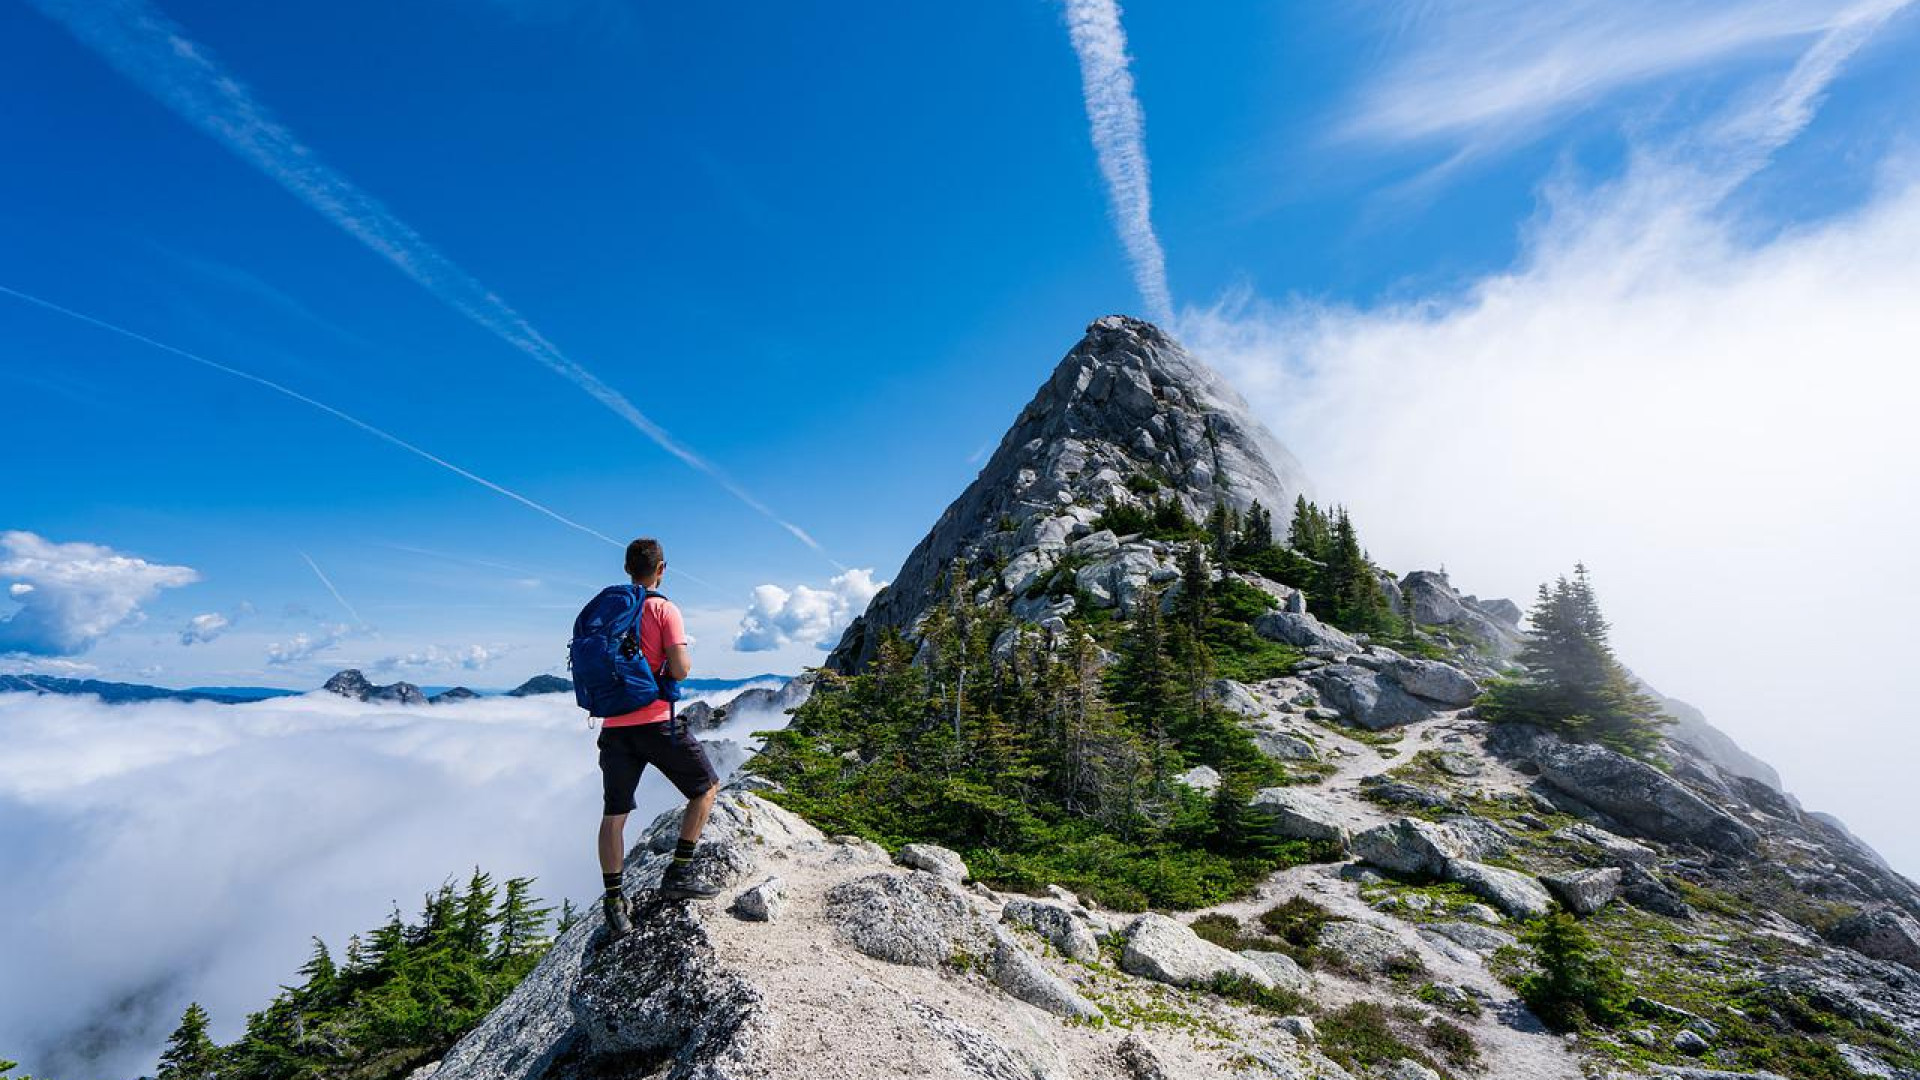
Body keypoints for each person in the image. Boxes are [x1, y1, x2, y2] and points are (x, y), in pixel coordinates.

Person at [596, 537, 721, 938]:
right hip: (655, 722)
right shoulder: (664, 609)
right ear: (662, 568)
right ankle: (679, 873)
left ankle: (614, 903)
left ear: (627, 569)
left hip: (614, 727)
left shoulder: (609, 613)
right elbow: (681, 669)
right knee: (706, 788)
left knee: (613, 818)